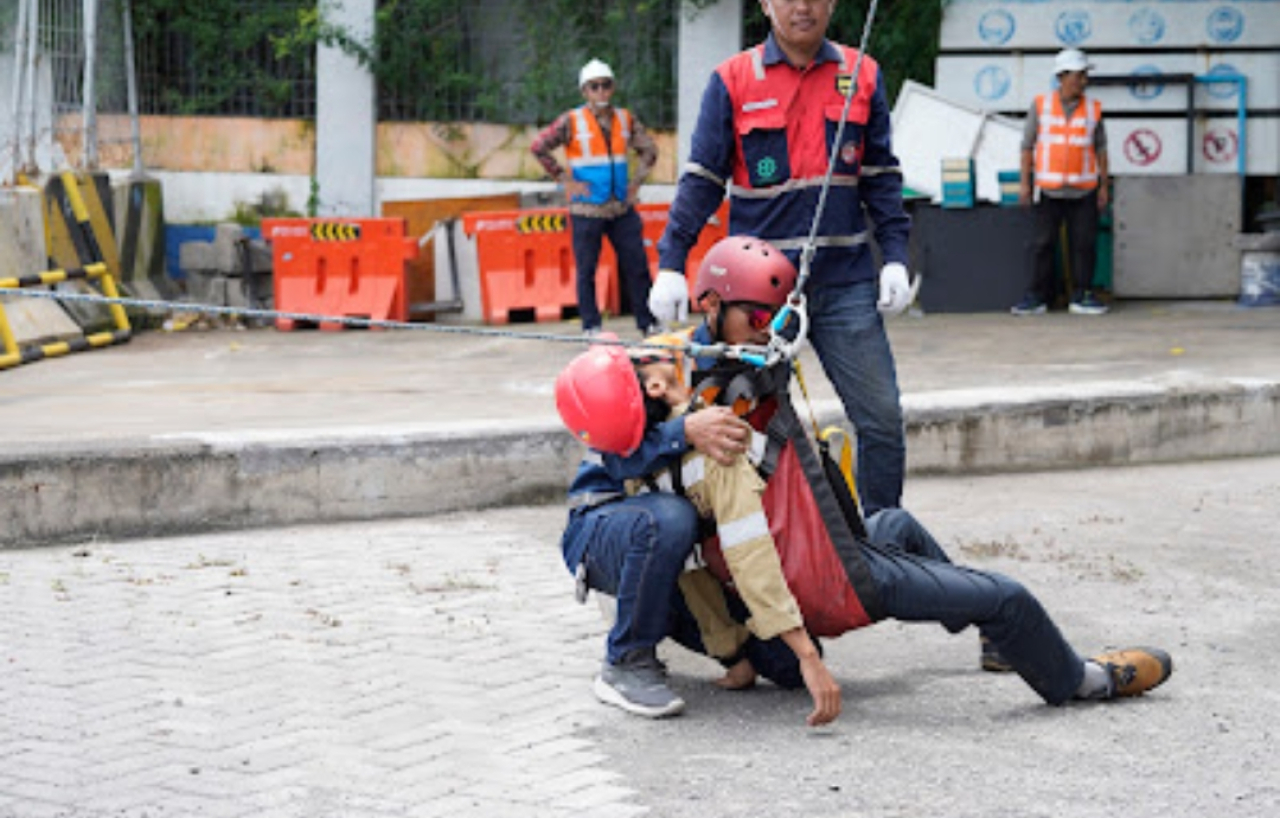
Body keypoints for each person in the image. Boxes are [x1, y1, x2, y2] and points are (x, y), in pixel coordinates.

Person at [563, 235, 1174, 725]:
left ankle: (994, 638)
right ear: (709, 308)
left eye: (776, 321)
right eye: (755, 318)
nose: (765, 331)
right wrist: (681, 432)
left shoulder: (759, 361)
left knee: (892, 529)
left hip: (745, 555)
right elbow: (611, 459)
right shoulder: (658, 364)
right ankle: (627, 662)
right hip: (620, 531)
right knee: (670, 524)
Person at [649, 0, 914, 517]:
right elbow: (703, 179)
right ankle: (739, 544)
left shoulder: (862, 75)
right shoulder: (732, 80)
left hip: (845, 286)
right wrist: (671, 263)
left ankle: (885, 545)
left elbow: (881, 177)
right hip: (756, 298)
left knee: (881, 421)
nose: (803, 6)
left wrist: (896, 256)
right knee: (731, 418)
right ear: (766, 4)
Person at [531, 58, 659, 337]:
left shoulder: (625, 119)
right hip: (586, 210)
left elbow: (649, 149)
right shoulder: (571, 121)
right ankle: (591, 325)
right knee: (587, 270)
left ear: (612, 88)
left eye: (605, 85)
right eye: (594, 86)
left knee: (637, 266)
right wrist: (564, 180)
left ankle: (647, 321)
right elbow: (539, 146)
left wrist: (636, 183)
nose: (600, 91)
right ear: (584, 91)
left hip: (620, 208)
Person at [1012, 47, 1111, 316]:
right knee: (1042, 245)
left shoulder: (1093, 109)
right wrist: (1025, 183)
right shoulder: (1041, 105)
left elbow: (1101, 149)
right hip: (1050, 191)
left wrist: (1104, 185)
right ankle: (1036, 297)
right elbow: (1027, 146)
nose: (1083, 81)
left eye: (1084, 76)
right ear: (1062, 77)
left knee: (1084, 245)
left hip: (1084, 191)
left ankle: (1083, 295)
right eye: (1078, 76)